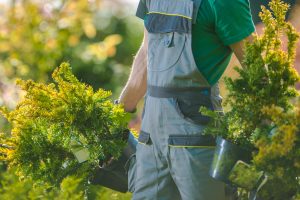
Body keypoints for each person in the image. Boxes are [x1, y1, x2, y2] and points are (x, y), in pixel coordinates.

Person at [118, 0, 255, 199]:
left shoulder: (224, 3)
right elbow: (147, 55)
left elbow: (257, 72)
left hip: (197, 135)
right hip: (150, 137)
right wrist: (116, 114)